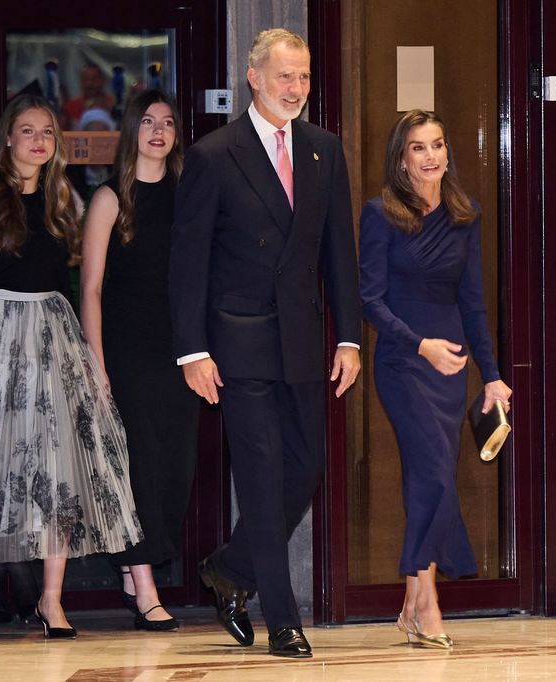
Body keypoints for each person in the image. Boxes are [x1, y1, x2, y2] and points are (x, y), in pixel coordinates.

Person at [169, 28, 361, 658]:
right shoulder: (213, 154)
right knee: (260, 475)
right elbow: (187, 262)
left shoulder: (324, 151)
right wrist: (192, 350)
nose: (297, 90)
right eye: (285, 77)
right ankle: (284, 620)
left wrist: (351, 338)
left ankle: (230, 567)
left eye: (304, 78)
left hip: (304, 340)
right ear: (253, 77)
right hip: (236, 343)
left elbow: (339, 254)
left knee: (303, 470)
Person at [0, 93, 142, 638]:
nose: (38, 141)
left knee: (56, 467)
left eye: (47, 132)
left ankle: (52, 600)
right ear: (7, 138)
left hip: (52, 339)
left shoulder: (61, 202)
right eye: (27, 131)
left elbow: (73, 280)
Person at [358, 110, 511, 648]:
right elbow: (369, 300)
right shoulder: (380, 214)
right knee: (436, 480)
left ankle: (413, 602)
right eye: (418, 148)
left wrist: (491, 376)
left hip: (452, 370)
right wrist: (418, 344)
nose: (431, 156)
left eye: (438, 145)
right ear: (402, 159)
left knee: (427, 480)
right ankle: (429, 603)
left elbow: (474, 306)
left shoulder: (465, 216)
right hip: (404, 365)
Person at [80, 89, 197, 633]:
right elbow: (92, 289)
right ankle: (146, 586)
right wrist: (97, 364)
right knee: (141, 467)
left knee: (176, 465)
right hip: (126, 348)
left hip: (182, 347)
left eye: (168, 122)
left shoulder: (189, 192)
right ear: (131, 131)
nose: (158, 130)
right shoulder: (108, 199)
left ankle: (136, 565)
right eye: (148, 121)